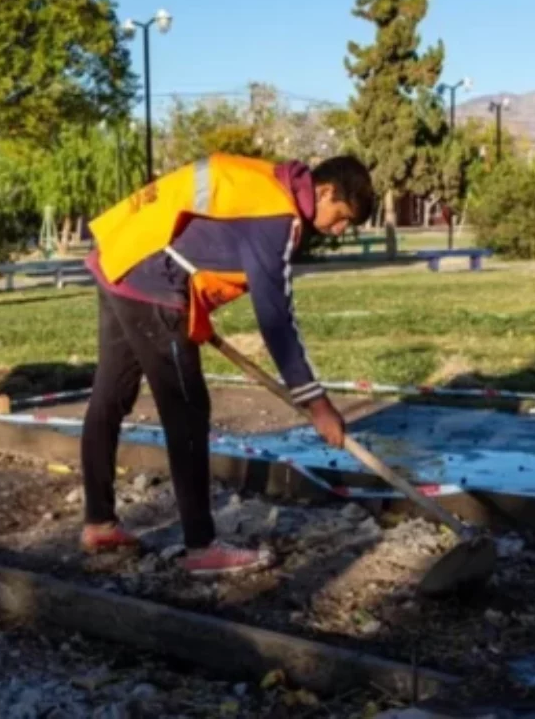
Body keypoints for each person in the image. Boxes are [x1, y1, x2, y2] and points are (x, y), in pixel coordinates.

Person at [82, 153, 375, 576]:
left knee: (110, 395)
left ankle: (99, 524)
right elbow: (276, 317)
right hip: (150, 281)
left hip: (122, 259)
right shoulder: (278, 215)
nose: (340, 229)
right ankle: (201, 547)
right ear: (325, 191)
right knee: (187, 408)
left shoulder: (266, 184)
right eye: (342, 216)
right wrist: (317, 403)